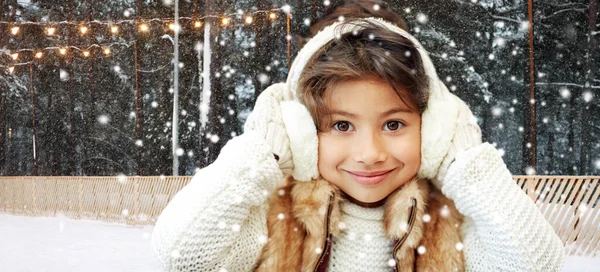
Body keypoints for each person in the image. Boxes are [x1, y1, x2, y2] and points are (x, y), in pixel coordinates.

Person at [152, 18, 565, 272]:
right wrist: (259, 153)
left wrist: (468, 167)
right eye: (342, 125)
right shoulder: (273, 212)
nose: (370, 152)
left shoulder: (452, 220)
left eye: (395, 123)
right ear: (300, 133)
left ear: (436, 129)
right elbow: (180, 261)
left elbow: (537, 265)